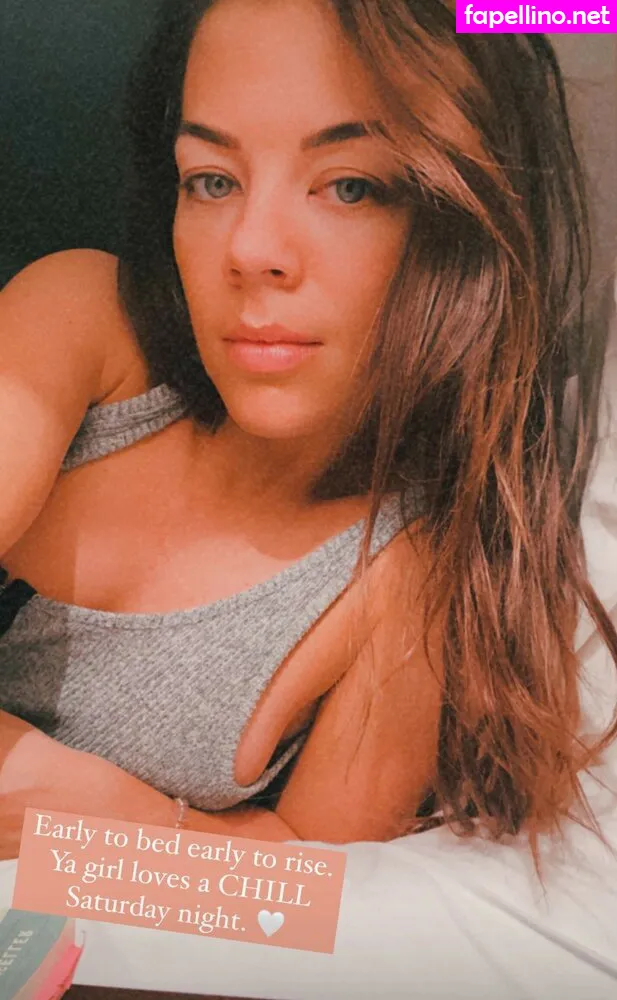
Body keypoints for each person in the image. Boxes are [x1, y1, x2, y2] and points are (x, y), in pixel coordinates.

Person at [1, 0, 616, 865]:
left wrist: (100, 815)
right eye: (211, 180)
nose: (250, 248)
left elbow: (304, 889)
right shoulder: (80, 320)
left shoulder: (418, 581)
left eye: (350, 185)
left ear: (460, 229)